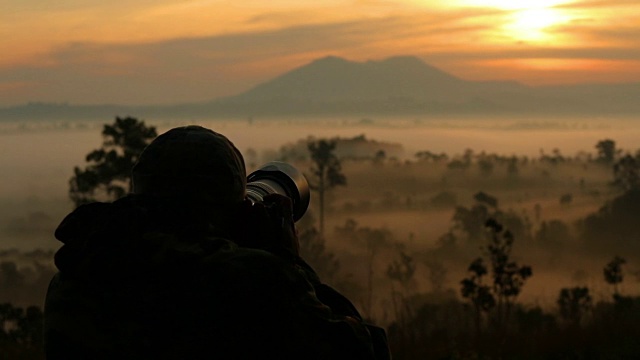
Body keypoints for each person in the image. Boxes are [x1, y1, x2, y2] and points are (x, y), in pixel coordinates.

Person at [44, 125, 389, 359]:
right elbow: (361, 350)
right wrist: (285, 258)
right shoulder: (248, 279)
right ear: (226, 208)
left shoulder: (79, 270)